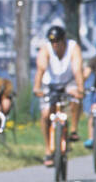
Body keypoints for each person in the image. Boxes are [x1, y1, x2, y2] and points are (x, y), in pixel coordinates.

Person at [33, 25, 84, 166]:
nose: (55, 44)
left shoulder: (73, 48)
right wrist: (37, 88)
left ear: (64, 40)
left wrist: (80, 89)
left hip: (68, 81)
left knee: (75, 100)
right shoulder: (46, 49)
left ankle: (73, 129)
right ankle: (48, 149)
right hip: (49, 84)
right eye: (52, 41)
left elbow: (77, 69)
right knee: (45, 114)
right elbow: (41, 68)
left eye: (58, 41)